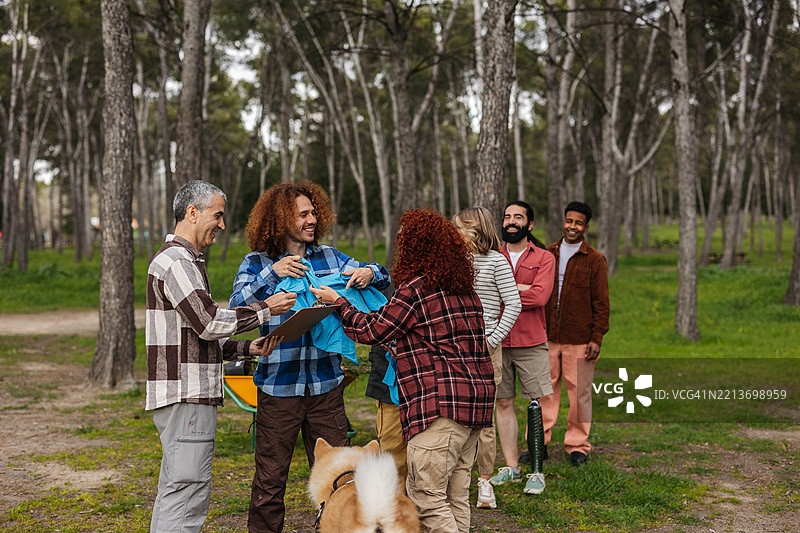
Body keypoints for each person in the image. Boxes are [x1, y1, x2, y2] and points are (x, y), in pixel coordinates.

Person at [311, 208, 495, 533]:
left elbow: (373, 330)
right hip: (477, 409)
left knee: (427, 499)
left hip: (441, 410)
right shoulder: (466, 291)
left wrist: (339, 303)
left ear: (414, 247)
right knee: (455, 497)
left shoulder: (416, 290)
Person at [228, 180, 390, 533]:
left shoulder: (330, 256)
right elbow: (236, 309)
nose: (312, 219)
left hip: (326, 387)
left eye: (314, 212)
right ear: (280, 218)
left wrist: (368, 273)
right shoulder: (256, 263)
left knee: (344, 478)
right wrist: (275, 273)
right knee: (270, 482)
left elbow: (382, 275)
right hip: (277, 388)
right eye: (303, 214)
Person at [146, 180, 295, 533]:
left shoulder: (184, 262)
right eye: (218, 215)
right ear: (192, 213)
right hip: (187, 396)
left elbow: (196, 335)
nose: (223, 225)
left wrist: (247, 347)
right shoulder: (177, 262)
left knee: (176, 491)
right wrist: (266, 309)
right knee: (187, 496)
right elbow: (210, 321)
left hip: (184, 396)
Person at [452, 207, 522, 509]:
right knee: (454, 417)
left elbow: (514, 304)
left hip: (486, 350)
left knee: (484, 422)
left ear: (475, 230)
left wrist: (492, 339)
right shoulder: (453, 263)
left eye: (459, 228)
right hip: (455, 350)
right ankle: (455, 480)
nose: (454, 233)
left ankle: (484, 482)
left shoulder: (496, 262)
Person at [489, 201, 555, 496]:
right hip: (498, 341)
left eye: (518, 217)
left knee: (535, 403)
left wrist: (503, 292)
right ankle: (512, 467)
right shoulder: (492, 257)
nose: (511, 221)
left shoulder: (544, 258)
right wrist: (520, 289)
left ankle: (537, 472)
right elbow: (483, 295)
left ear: (530, 225)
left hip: (531, 341)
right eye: (507, 217)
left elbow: (540, 297)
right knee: (502, 403)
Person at [540, 201, 610, 466]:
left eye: (578, 223)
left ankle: (577, 445)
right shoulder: (547, 254)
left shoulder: (595, 260)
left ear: (586, 227)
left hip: (580, 338)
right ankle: (539, 442)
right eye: (569, 221)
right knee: (544, 391)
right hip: (547, 336)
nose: (572, 226)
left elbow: (601, 303)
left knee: (579, 394)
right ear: (563, 222)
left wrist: (596, 337)